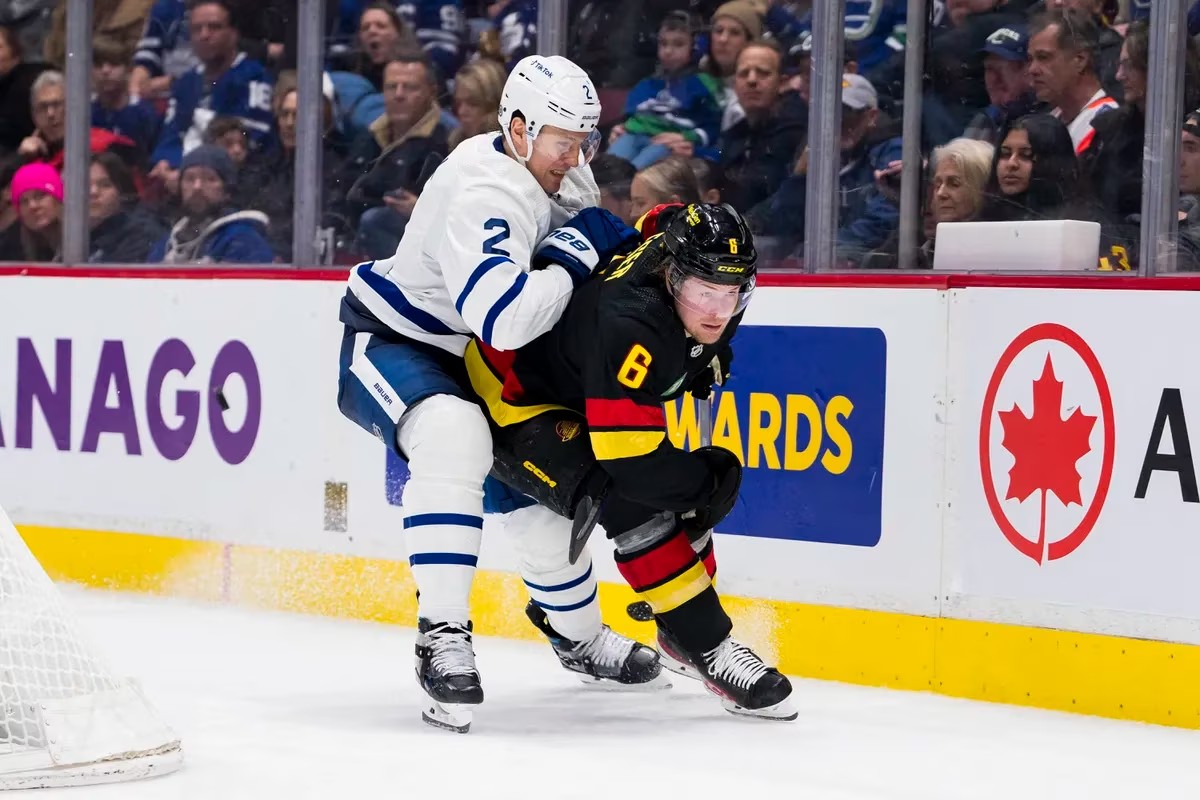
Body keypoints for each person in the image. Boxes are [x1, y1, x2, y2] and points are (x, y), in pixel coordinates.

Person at [334, 54, 663, 734]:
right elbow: (505, 318)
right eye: (561, 140)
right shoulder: (487, 187)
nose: (575, 156)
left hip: (480, 364)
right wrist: (575, 255)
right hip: (397, 343)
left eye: (584, 140)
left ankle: (578, 638)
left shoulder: (563, 169)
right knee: (456, 436)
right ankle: (441, 636)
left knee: (550, 496)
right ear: (517, 127)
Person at [462, 203, 796, 721]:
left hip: (579, 376)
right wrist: (704, 488)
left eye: (732, 295)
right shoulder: (632, 321)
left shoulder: (685, 255)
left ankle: (681, 628)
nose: (717, 311)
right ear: (671, 274)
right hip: (513, 396)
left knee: (674, 492)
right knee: (632, 500)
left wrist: (705, 356)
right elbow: (632, 465)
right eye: (705, 293)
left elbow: (660, 215)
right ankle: (707, 645)